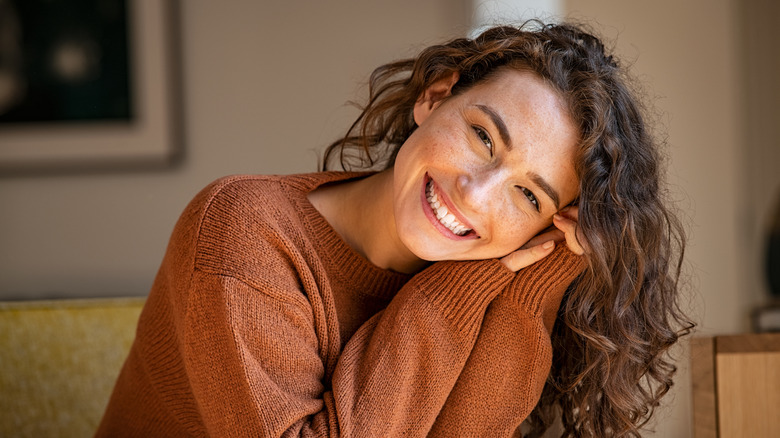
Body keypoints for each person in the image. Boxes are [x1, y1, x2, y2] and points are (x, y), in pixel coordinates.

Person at [97, 21, 692, 437]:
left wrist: (544, 274)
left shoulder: (493, 281)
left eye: (527, 193)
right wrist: (445, 297)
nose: (476, 193)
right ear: (435, 99)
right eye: (482, 136)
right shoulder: (244, 229)